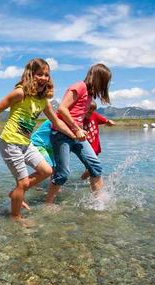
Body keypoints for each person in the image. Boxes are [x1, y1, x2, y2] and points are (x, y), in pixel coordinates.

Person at [0, 58, 75, 223]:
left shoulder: (43, 100)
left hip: (26, 144)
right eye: (39, 74)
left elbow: (57, 122)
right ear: (31, 74)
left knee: (47, 171)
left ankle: (17, 192)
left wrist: (74, 133)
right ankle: (15, 217)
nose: (44, 78)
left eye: (46, 75)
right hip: (10, 142)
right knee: (22, 182)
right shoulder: (20, 93)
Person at [45, 63, 112, 204]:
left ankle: (99, 202)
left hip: (77, 136)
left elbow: (81, 114)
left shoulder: (90, 94)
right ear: (98, 78)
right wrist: (77, 128)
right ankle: (48, 204)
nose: (105, 86)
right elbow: (62, 109)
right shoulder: (79, 86)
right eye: (105, 82)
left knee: (95, 166)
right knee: (63, 174)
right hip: (62, 134)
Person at [81, 101, 115, 180]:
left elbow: (106, 121)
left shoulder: (94, 115)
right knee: (93, 166)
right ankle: (82, 179)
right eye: (89, 109)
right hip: (85, 147)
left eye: (93, 110)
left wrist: (109, 122)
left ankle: (87, 181)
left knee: (90, 167)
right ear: (84, 109)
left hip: (95, 146)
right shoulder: (80, 118)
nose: (90, 112)